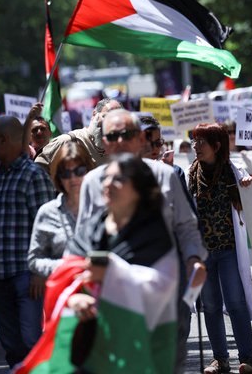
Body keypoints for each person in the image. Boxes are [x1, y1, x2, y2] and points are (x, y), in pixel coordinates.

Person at [74, 109, 207, 373]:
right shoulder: (92, 183)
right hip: (112, 301)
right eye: (113, 135)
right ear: (103, 142)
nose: (121, 141)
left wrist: (194, 260)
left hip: (164, 293)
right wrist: (77, 291)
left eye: (128, 134)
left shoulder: (165, 176)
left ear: (139, 139)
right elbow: (81, 244)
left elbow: (186, 227)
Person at [66, 153, 178, 373]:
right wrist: (74, 297)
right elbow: (66, 272)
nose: (108, 184)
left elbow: (160, 287)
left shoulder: (156, 235)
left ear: (139, 189)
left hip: (138, 346)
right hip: (90, 346)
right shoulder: (90, 228)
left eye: (118, 179)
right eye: (106, 178)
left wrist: (111, 272)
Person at [0, 116, 56, 368]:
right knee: (11, 346)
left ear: (4, 140)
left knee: (32, 343)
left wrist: (40, 273)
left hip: (27, 278)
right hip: (0, 279)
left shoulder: (34, 176)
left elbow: (47, 230)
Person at [188, 123, 252, 374]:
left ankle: (246, 358)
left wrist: (248, 185)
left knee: (236, 302)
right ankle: (220, 359)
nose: (196, 146)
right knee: (210, 305)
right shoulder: (189, 175)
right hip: (203, 254)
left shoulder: (233, 172)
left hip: (228, 251)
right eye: (194, 141)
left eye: (201, 142)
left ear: (216, 146)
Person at [28, 140, 93, 278]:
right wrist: (66, 266)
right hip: (64, 292)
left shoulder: (103, 207)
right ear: (58, 178)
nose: (73, 178)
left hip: (101, 293)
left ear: (89, 170)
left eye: (79, 171)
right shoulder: (47, 212)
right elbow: (34, 260)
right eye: (66, 173)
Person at [35, 98, 122, 171]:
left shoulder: (118, 150)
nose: (110, 123)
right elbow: (37, 172)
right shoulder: (68, 141)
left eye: (115, 120)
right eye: (106, 117)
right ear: (94, 114)